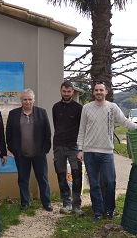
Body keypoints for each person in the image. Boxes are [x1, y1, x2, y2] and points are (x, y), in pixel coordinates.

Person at [77, 82, 137, 223]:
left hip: (107, 152)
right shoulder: (86, 108)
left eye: (101, 90)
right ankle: (97, 212)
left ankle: (110, 210)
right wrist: (80, 149)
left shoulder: (112, 107)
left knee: (110, 181)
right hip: (90, 152)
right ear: (93, 92)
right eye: (96, 90)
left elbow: (124, 121)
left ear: (106, 92)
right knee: (94, 183)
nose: (99, 92)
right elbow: (82, 130)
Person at [6, 88, 53, 211]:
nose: (27, 102)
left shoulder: (41, 113)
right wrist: (15, 151)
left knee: (42, 178)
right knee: (22, 179)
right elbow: (9, 136)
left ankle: (46, 202)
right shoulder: (13, 114)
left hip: (39, 154)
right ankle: (25, 202)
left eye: (30, 99)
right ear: (21, 100)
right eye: (25, 99)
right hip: (21, 155)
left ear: (34, 100)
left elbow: (47, 134)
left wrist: (44, 150)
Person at [52, 81, 83, 215]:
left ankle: (77, 205)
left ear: (72, 92)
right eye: (64, 91)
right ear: (61, 91)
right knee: (61, 175)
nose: (66, 94)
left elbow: (82, 129)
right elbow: (56, 125)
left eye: (69, 91)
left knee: (76, 175)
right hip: (58, 146)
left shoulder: (78, 108)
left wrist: (81, 148)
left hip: (73, 147)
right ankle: (66, 203)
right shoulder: (56, 107)